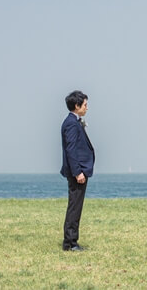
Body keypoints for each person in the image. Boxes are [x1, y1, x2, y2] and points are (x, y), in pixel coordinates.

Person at [60, 90, 95, 252]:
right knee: (74, 206)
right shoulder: (71, 124)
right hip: (77, 172)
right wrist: (77, 172)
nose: (87, 108)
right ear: (77, 105)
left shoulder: (74, 121)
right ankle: (70, 242)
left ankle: (72, 240)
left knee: (76, 206)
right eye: (85, 105)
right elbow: (71, 150)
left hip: (80, 170)